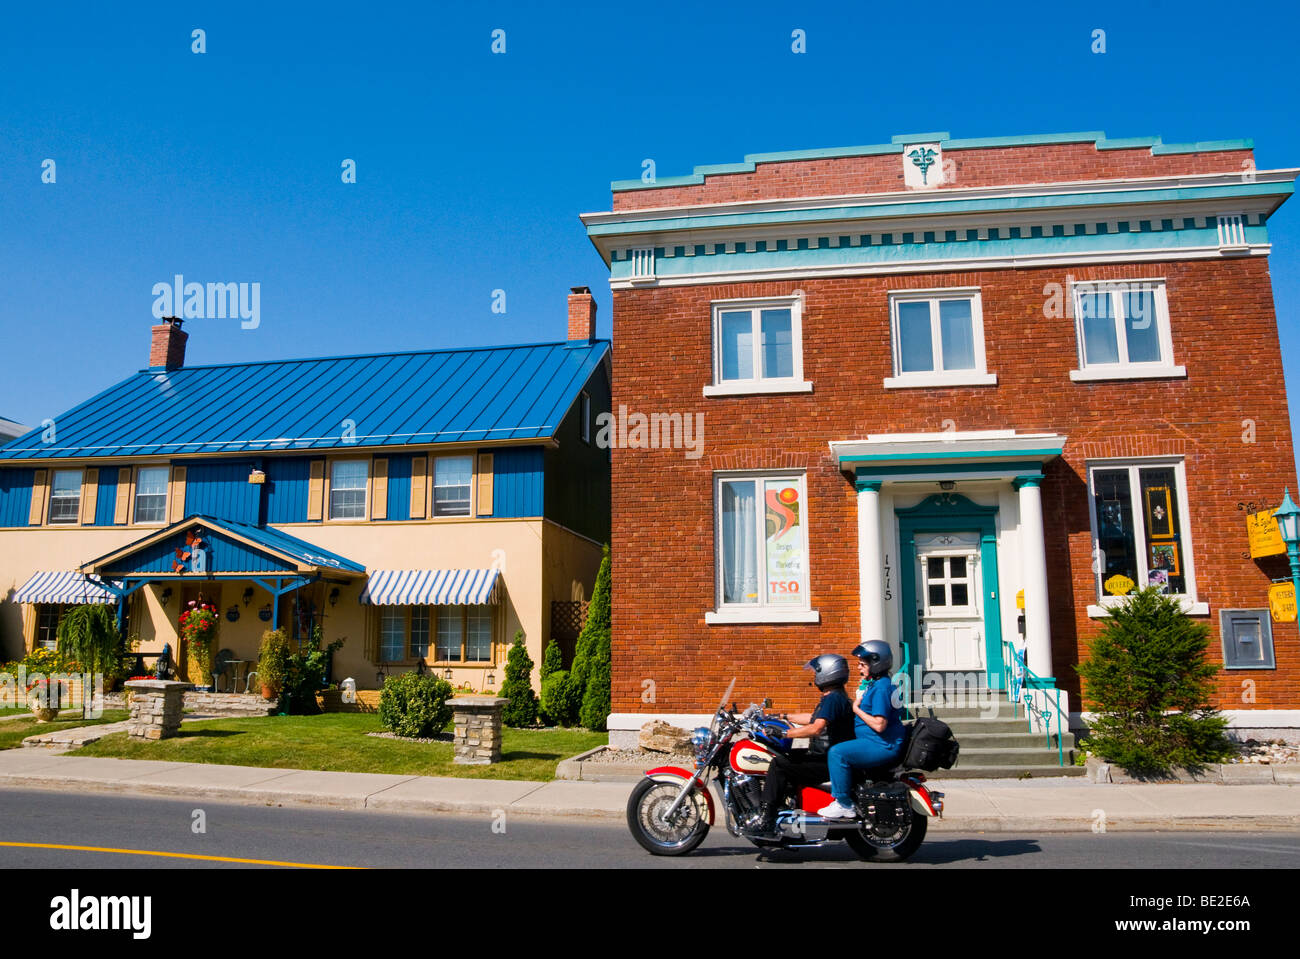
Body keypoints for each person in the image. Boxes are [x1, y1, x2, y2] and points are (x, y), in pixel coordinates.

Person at [743, 653, 855, 839]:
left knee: (778, 765)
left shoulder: (833, 698)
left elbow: (816, 728)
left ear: (827, 673)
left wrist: (783, 733)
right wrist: (780, 717)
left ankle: (766, 819)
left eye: (816, 672)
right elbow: (812, 717)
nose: (814, 676)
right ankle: (784, 807)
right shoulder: (835, 697)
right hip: (824, 755)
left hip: (825, 760)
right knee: (788, 754)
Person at [818, 641, 906, 820]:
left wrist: (856, 709)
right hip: (875, 741)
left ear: (876, 664)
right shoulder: (877, 684)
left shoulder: (882, 688)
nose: (858, 668)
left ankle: (843, 803)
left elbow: (880, 724)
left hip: (881, 744)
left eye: (862, 664)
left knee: (837, 753)